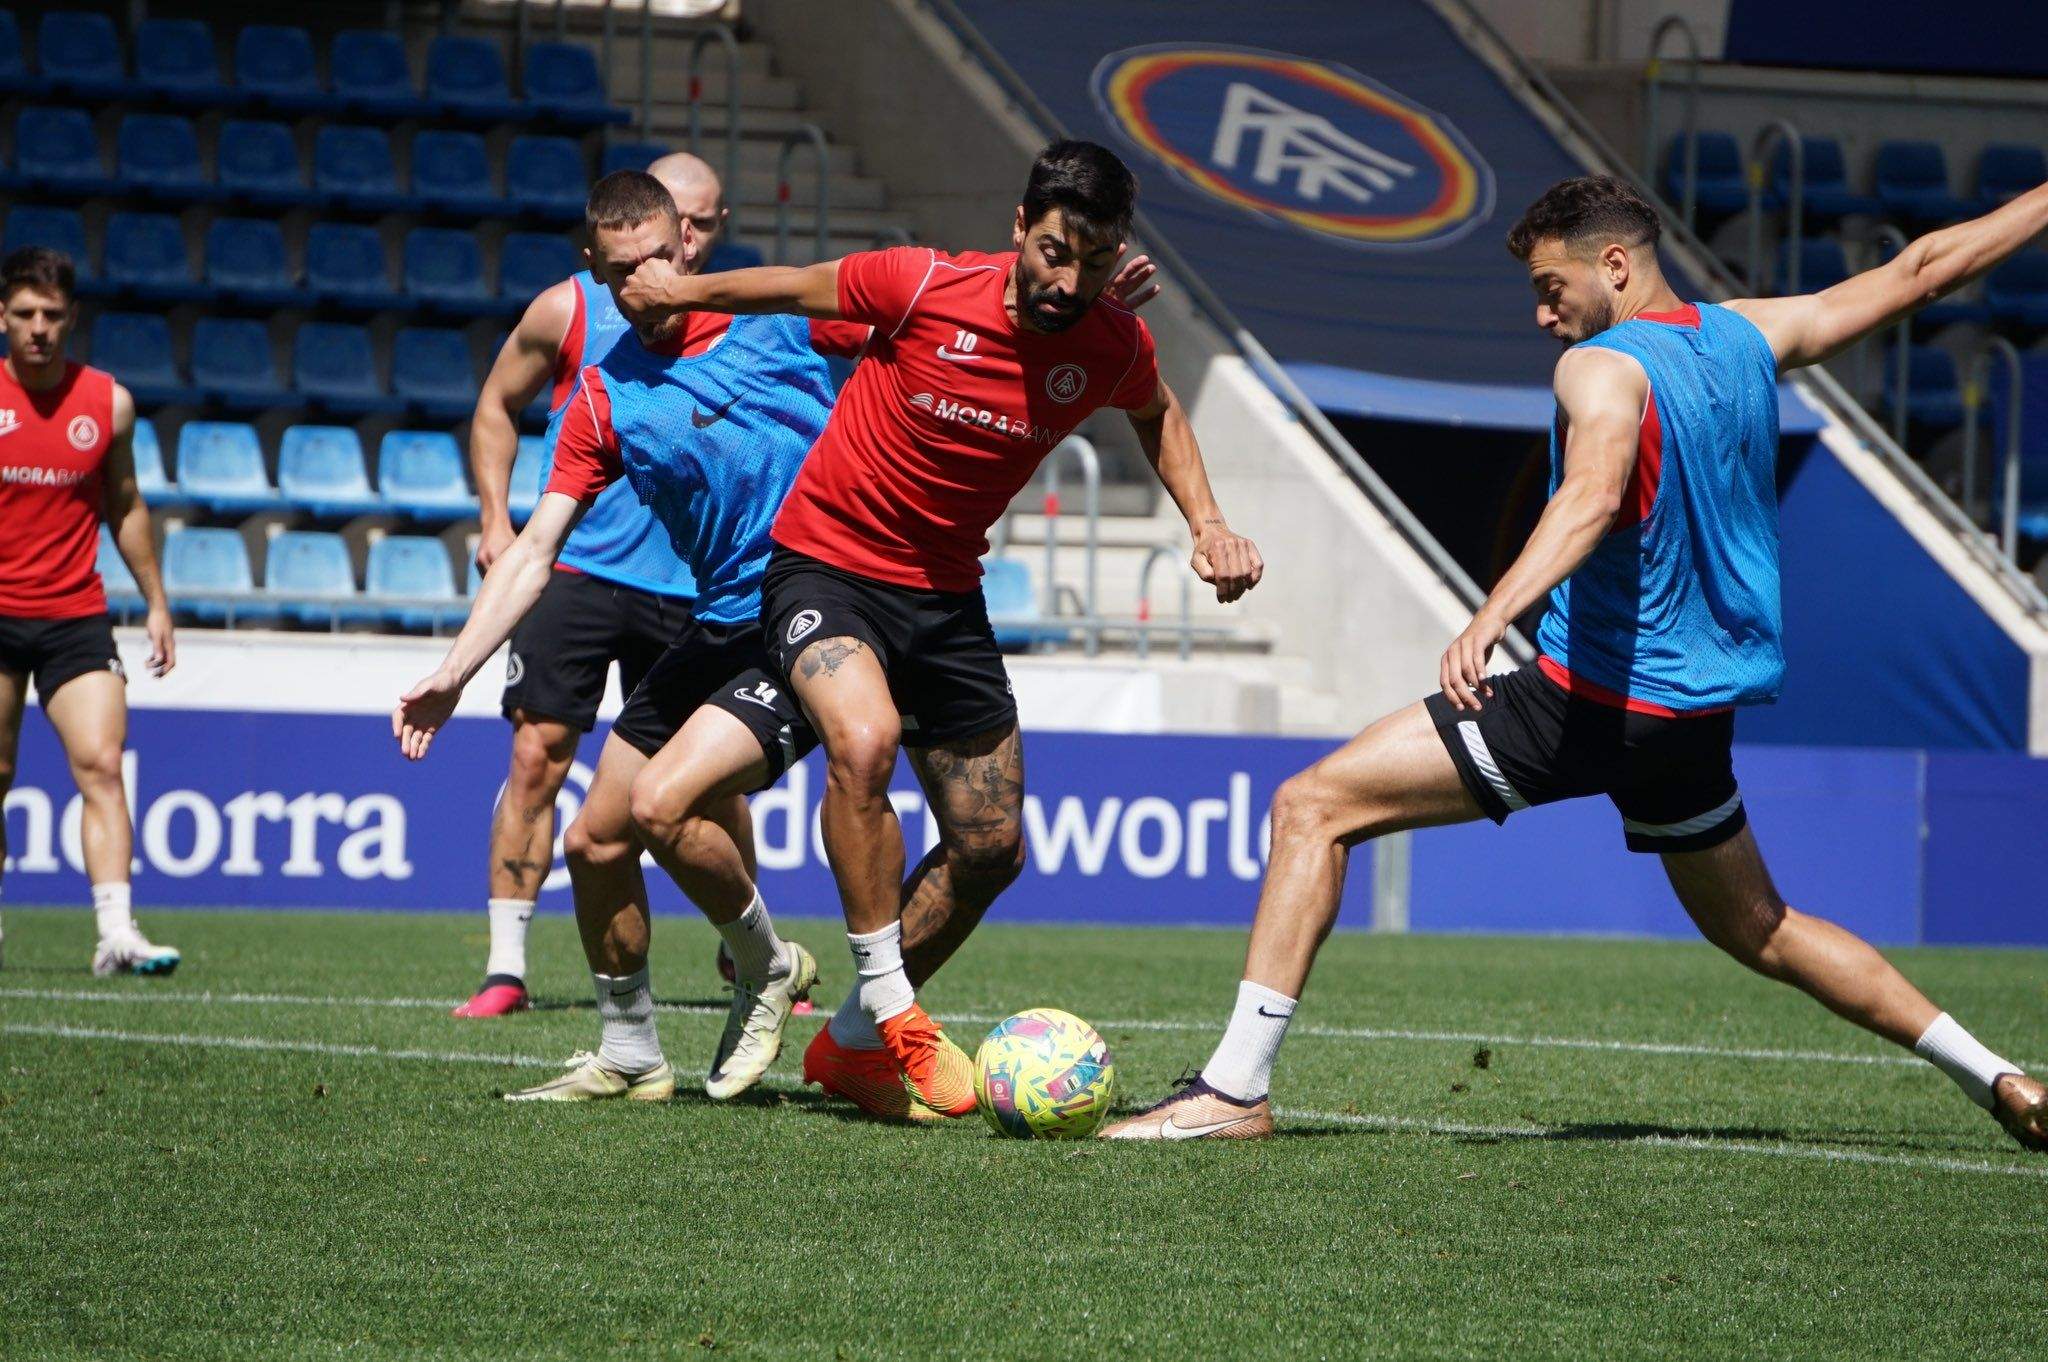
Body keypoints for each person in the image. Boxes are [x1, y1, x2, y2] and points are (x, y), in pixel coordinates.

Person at [1102, 174, 2048, 1150]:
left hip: (1583, 702)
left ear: (1615, 264)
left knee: (1311, 806)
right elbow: (1923, 268)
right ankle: (1997, 1076)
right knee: (1759, 926)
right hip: (1686, 720)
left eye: (1552, 286)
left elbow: (1591, 494)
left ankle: (1230, 1091)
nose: (1540, 309)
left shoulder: (1598, 369)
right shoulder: (1749, 335)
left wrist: (1490, 615)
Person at [615, 139, 1262, 1121]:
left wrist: (1207, 523)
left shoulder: (1111, 343)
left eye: (1090, 261)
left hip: (945, 599)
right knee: (863, 741)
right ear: (1018, 229)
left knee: (992, 846)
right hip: (824, 566)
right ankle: (893, 1006)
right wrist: (679, 292)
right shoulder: (920, 285)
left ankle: (852, 1049)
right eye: (1052, 250)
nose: (1066, 278)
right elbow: (795, 287)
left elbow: (1156, 410)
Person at [456, 154, 726, 1019]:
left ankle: (741, 954)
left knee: (713, 777)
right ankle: (505, 966)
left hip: (691, 585)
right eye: (671, 222)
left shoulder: (739, 318)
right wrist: (497, 519)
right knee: (538, 756)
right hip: (575, 569)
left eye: (703, 225)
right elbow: (497, 404)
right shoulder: (569, 308)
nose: (682, 243)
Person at [0, 247, 178, 976]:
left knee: (103, 764)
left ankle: (117, 933)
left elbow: (126, 503)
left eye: (51, 315)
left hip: (75, 612)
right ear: (2, 316)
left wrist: (158, 601)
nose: (38, 328)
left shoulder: (108, 402)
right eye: (23, 314)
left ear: (71, 317)